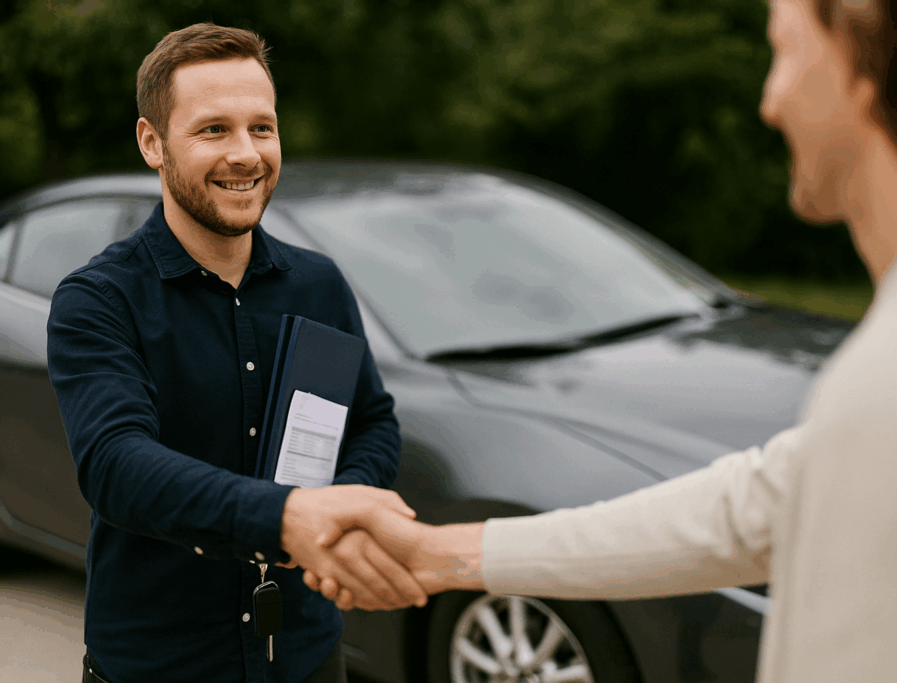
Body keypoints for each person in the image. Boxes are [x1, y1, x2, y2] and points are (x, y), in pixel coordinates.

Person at [306, 1, 897, 681]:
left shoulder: (876, 385)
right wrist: (439, 554)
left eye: (787, 50)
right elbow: (743, 512)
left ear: (859, 58)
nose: (770, 100)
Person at [46, 24, 426, 683]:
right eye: (213, 130)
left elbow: (371, 421)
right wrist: (283, 517)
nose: (247, 154)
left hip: (307, 656)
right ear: (152, 143)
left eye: (262, 127)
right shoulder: (98, 299)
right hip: (160, 665)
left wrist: (338, 508)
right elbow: (114, 463)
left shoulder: (319, 283)